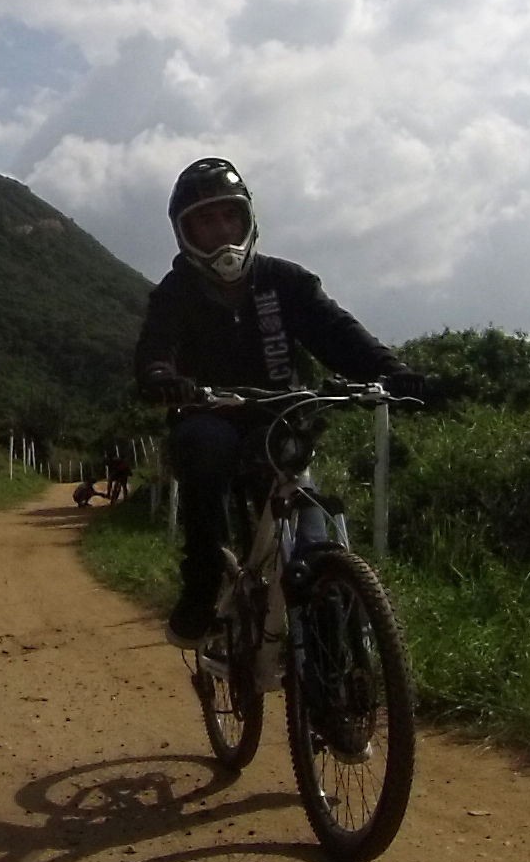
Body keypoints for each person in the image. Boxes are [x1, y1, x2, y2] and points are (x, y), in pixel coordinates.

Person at [133, 157, 435, 647]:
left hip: (282, 417)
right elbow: (156, 349)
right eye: (206, 221)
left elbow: (337, 332)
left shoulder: (286, 281)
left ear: (248, 219)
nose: (222, 231)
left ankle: (331, 655)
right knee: (204, 448)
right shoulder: (174, 294)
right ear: (185, 233)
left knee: (313, 540)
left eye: (229, 215)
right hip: (210, 415)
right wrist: (161, 377)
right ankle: (203, 575)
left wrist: (394, 372)